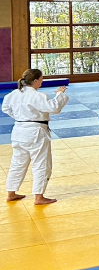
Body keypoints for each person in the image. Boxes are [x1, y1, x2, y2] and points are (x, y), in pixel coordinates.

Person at [3, 68, 68, 206]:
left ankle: (11, 193)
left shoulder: (13, 94)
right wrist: (59, 95)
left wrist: (21, 118)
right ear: (35, 81)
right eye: (41, 80)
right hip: (35, 132)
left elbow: (5, 108)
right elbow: (54, 108)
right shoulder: (38, 96)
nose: (42, 83)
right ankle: (39, 197)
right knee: (41, 164)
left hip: (18, 130)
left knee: (17, 163)